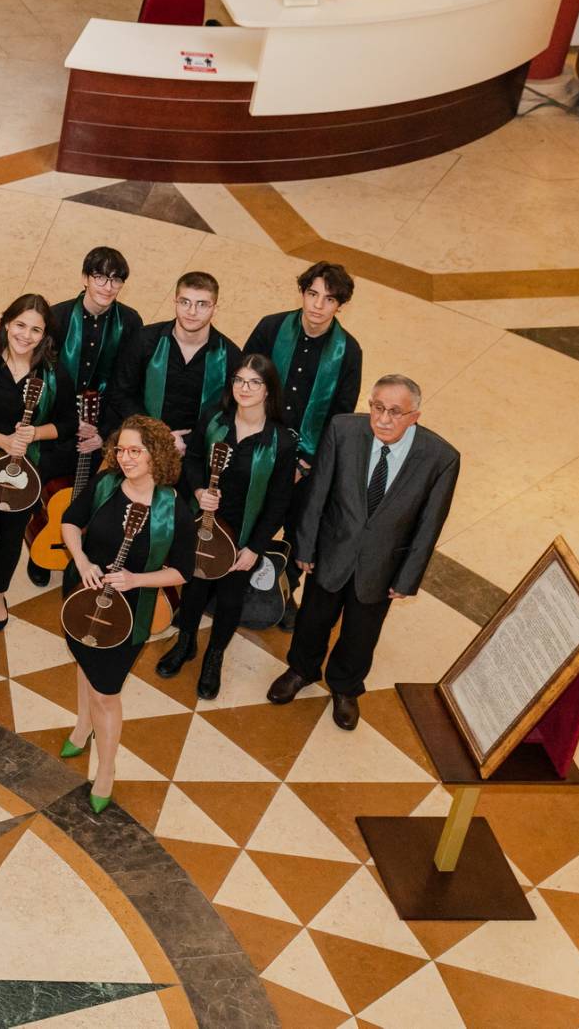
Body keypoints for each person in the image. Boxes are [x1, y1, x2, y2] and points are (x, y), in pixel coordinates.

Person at [267, 376, 460, 730]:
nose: (383, 419)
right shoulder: (343, 430)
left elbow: (429, 525)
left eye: (395, 412)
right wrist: (306, 546)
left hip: (382, 565)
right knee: (313, 618)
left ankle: (345, 687)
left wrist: (407, 578)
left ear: (415, 416)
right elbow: (318, 493)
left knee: (361, 632)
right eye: (378, 407)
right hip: (332, 551)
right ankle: (301, 670)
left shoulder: (440, 458)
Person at [60, 417, 193, 813]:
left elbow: (182, 571)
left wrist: (136, 580)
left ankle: (106, 769)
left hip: (131, 614)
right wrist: (81, 559)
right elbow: (70, 521)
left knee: (106, 692)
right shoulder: (105, 484)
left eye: (136, 451)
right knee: (84, 659)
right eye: (121, 450)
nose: (125, 458)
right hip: (83, 596)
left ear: (157, 455)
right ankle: (82, 726)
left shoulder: (173, 508)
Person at [156, 355, 295, 698]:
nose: (244, 388)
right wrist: (198, 491)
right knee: (194, 587)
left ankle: (214, 657)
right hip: (203, 524)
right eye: (239, 380)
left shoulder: (280, 441)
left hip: (244, 536)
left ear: (268, 390)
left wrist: (255, 548)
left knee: (231, 599)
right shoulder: (215, 419)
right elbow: (193, 460)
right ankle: (186, 642)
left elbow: (279, 501)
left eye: (254, 382)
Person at [242, 261, 363, 629]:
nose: (318, 305)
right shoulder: (271, 327)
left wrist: (305, 463)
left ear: (339, 305)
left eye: (329, 299)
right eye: (313, 294)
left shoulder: (349, 351)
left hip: (308, 461)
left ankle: (284, 590)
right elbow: (243, 381)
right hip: (260, 444)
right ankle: (230, 581)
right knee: (248, 516)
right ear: (303, 293)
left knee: (300, 529)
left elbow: (340, 417)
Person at [0, 294, 73, 630]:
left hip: (30, 469)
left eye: (36, 329)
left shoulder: (55, 375)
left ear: (45, 335)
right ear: (6, 323)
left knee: (12, 532)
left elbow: (68, 424)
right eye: (20, 325)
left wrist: (34, 434)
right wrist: (3, 441)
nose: (26, 335)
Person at [33, 246, 142, 586]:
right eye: (100, 277)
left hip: (101, 429)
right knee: (42, 487)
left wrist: (104, 434)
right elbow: (42, 377)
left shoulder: (130, 322)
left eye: (116, 280)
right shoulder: (57, 317)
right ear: (84, 278)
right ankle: (38, 544)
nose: (108, 287)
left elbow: (127, 385)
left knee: (91, 496)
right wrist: (67, 422)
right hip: (58, 425)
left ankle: (81, 552)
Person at [110, 271, 241, 455]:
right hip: (142, 442)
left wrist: (189, 441)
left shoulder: (231, 356)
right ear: (175, 303)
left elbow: (231, 412)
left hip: (197, 450)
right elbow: (121, 393)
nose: (192, 311)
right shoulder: (145, 340)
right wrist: (157, 434)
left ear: (215, 309)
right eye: (185, 302)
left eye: (202, 304)